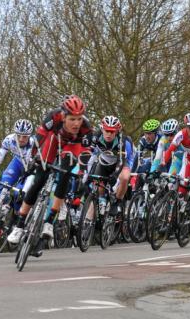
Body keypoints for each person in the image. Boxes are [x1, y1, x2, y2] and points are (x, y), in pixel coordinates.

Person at [7, 95, 92, 246]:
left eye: (79, 118)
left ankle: (50, 221)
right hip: (54, 141)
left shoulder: (86, 127)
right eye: (72, 119)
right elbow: (39, 138)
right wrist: (34, 159)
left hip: (72, 146)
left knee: (65, 173)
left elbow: (85, 153)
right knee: (39, 179)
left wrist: (80, 174)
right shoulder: (53, 117)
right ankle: (19, 225)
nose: (76, 123)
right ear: (64, 116)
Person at [88, 115, 134, 214]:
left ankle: (116, 202)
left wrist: (115, 175)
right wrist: (85, 172)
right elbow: (88, 155)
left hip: (123, 161)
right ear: (102, 129)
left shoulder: (123, 140)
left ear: (117, 131)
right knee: (98, 183)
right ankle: (98, 206)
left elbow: (121, 161)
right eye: (106, 131)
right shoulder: (96, 136)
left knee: (125, 177)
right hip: (105, 160)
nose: (108, 134)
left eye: (112, 131)